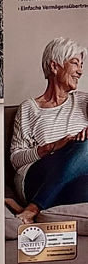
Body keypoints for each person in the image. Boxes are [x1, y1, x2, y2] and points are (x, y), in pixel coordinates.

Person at [10, 36, 88, 223]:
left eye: (82, 65)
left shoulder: (83, 101)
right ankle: (33, 207)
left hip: (73, 178)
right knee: (85, 148)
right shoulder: (29, 108)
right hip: (36, 177)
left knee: (84, 186)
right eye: (75, 63)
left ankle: (34, 207)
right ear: (55, 67)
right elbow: (15, 159)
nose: (80, 71)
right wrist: (52, 147)